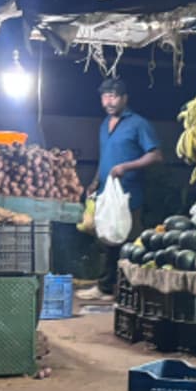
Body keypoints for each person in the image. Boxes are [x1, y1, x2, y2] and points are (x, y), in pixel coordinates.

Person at [76, 78, 163, 301]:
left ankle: (129, 292)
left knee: (128, 242)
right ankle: (106, 288)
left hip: (128, 195)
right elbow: (104, 157)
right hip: (107, 193)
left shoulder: (138, 123)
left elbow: (155, 155)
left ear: (125, 98)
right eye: (105, 96)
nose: (109, 101)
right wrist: (95, 180)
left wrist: (127, 166)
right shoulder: (104, 125)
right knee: (106, 240)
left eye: (114, 96)